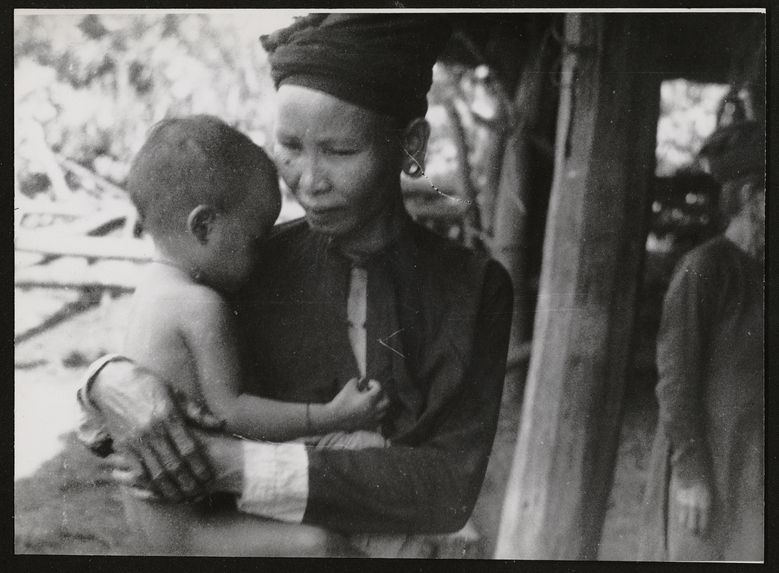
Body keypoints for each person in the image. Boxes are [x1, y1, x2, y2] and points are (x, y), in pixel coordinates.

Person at [77, 13, 513, 558]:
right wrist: (105, 382)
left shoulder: (473, 289)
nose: (308, 181)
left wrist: (235, 467)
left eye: (341, 152)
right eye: (289, 146)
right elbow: (164, 355)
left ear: (410, 147)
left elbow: (447, 488)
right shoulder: (246, 261)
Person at [104, 114, 391, 555]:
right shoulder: (201, 305)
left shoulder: (150, 292)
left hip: (154, 522)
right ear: (202, 227)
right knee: (322, 546)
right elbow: (234, 413)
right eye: (256, 239)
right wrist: (334, 416)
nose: (261, 256)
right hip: (192, 533)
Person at [638, 120, 765, 561]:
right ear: (753, 200)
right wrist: (691, 476)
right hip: (706, 472)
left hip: (754, 468)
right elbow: (675, 381)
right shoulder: (704, 270)